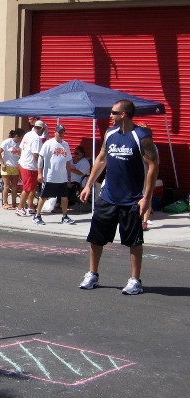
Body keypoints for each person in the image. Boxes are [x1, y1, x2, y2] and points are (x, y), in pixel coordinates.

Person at [79, 99, 159, 295]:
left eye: (114, 112)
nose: (110, 115)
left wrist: (146, 198)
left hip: (132, 199)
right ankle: (93, 274)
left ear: (123, 114)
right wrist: (89, 185)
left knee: (134, 242)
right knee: (96, 239)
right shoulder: (110, 133)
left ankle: (135, 280)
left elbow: (153, 166)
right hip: (108, 196)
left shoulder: (141, 136)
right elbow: (101, 158)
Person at [33, 124, 76, 225]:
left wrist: (69, 175)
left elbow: (68, 161)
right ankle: (37, 215)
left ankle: (65, 216)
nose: (61, 134)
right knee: (44, 196)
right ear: (55, 132)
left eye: (63, 132)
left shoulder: (65, 144)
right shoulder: (49, 144)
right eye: (59, 132)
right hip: (50, 176)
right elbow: (41, 158)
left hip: (62, 177)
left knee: (64, 197)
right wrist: (40, 173)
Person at [15, 120, 46, 216]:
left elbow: (20, 148)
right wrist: (40, 166)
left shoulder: (28, 134)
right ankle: (20, 208)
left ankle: (30, 206)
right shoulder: (36, 138)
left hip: (24, 164)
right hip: (29, 166)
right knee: (27, 188)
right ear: (42, 128)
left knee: (32, 187)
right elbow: (35, 154)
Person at [0, 128, 24, 209]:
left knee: (15, 186)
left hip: (15, 166)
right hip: (7, 166)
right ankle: (5, 203)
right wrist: (2, 163)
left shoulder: (21, 144)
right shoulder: (7, 142)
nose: (21, 139)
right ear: (16, 136)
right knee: (7, 186)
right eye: (20, 137)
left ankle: (14, 203)